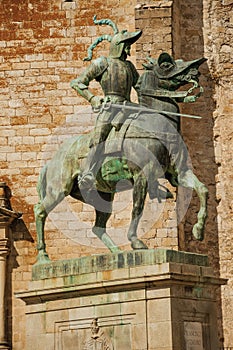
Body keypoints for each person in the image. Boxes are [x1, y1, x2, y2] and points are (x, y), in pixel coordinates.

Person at [70, 16, 142, 191]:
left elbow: (140, 87)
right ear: (119, 46)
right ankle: (87, 172)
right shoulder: (102, 63)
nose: (129, 48)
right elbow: (78, 83)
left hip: (129, 107)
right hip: (110, 107)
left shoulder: (130, 67)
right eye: (127, 44)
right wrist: (95, 99)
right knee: (99, 136)